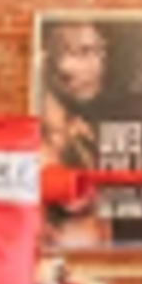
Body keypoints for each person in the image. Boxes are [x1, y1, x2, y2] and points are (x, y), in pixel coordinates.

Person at [36, 18, 113, 253]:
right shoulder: (37, 142)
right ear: (46, 60)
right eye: (82, 52)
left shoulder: (82, 132)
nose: (97, 66)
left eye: (99, 52)